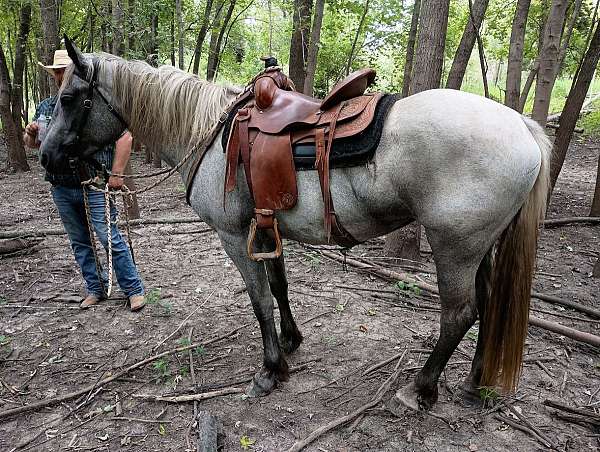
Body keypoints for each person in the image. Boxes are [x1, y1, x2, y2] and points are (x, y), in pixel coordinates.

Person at [23, 49, 146, 311]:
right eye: (56, 71)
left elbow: (124, 137)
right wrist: (31, 135)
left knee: (108, 236)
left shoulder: (92, 100)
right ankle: (95, 288)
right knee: (79, 241)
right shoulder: (46, 106)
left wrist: (116, 173)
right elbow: (36, 144)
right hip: (61, 186)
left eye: (63, 70)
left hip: (93, 181)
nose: (59, 76)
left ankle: (133, 288)